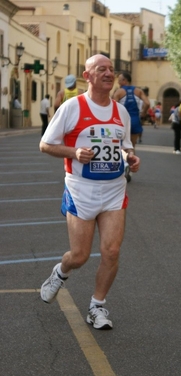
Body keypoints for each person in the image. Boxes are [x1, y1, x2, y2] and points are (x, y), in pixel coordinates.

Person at [39, 54, 140, 330]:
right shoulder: (72, 107)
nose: (109, 73)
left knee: (111, 251)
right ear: (88, 76)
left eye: (111, 69)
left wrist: (131, 156)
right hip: (81, 189)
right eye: (101, 69)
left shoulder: (121, 112)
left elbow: (125, 145)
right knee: (80, 256)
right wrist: (74, 152)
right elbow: (45, 145)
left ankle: (97, 306)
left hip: (114, 190)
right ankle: (60, 272)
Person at [112, 72, 150, 148]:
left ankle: (123, 159)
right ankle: (132, 158)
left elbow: (112, 107)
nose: (118, 82)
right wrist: (143, 113)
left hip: (122, 121)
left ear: (124, 80)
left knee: (120, 147)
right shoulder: (138, 91)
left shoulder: (119, 92)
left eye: (119, 80)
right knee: (131, 147)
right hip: (135, 120)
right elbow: (147, 103)